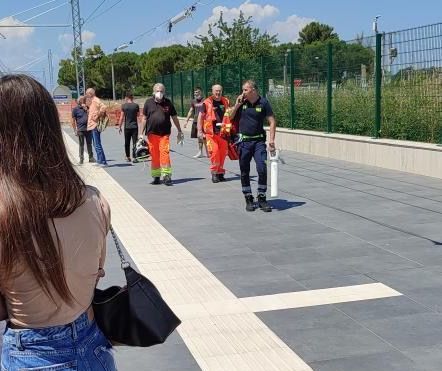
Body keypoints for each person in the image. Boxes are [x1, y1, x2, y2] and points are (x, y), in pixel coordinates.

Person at [0, 74, 115, 370]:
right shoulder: (93, 200)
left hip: (30, 352)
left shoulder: (5, 210)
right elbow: (97, 271)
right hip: (93, 347)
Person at [231, 80, 277, 212]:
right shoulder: (242, 102)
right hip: (244, 143)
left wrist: (271, 140)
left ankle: (261, 197)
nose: (242, 92)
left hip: (258, 142)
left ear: (253, 90)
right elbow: (231, 117)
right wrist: (237, 105)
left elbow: (272, 121)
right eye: (243, 90)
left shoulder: (263, 102)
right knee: (244, 170)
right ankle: (248, 198)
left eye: (245, 90)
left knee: (262, 168)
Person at [140, 83, 183, 186]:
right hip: (152, 134)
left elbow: (174, 117)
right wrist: (141, 134)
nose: (159, 93)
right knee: (154, 155)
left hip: (164, 134)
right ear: (153, 92)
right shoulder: (148, 103)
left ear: (164, 92)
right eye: (157, 91)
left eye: (161, 91)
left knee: (164, 153)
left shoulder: (168, 103)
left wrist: (179, 130)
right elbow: (144, 118)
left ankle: (167, 176)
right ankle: (156, 176)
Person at [197, 84, 230, 183]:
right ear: (212, 91)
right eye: (216, 91)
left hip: (223, 133)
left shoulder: (226, 101)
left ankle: (220, 173)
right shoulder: (206, 103)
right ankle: (214, 173)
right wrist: (199, 131)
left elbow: (229, 114)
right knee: (214, 153)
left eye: (219, 90)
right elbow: (200, 117)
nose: (218, 92)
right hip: (211, 133)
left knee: (222, 154)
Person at [86, 87, 108, 167]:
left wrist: (97, 115)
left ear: (90, 93)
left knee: (97, 144)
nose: (86, 95)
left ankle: (103, 162)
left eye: (87, 93)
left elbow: (104, 107)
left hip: (95, 125)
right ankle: (99, 161)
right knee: (95, 144)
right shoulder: (92, 101)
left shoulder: (95, 100)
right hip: (92, 125)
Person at [71, 95, 95, 165]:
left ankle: (91, 158)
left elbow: (91, 116)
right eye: (83, 100)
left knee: (89, 144)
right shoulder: (75, 109)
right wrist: (75, 130)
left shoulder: (87, 108)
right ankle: (81, 159)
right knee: (81, 145)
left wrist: (86, 109)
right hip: (80, 129)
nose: (84, 101)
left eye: (84, 100)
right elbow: (73, 120)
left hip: (88, 129)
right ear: (79, 101)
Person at [185, 87, 208, 158]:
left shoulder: (206, 100)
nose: (196, 94)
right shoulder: (193, 101)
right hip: (195, 121)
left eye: (197, 92)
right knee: (199, 137)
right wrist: (186, 121)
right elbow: (191, 110)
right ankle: (200, 152)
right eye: (195, 92)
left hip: (204, 121)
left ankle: (208, 152)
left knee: (204, 137)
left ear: (201, 92)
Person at [118, 92, 140, 163]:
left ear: (127, 98)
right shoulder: (136, 105)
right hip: (134, 126)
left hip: (127, 127)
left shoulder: (124, 106)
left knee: (127, 142)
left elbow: (121, 117)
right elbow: (138, 115)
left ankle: (127, 157)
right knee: (135, 142)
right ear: (132, 97)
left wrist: (119, 126)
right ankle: (135, 157)